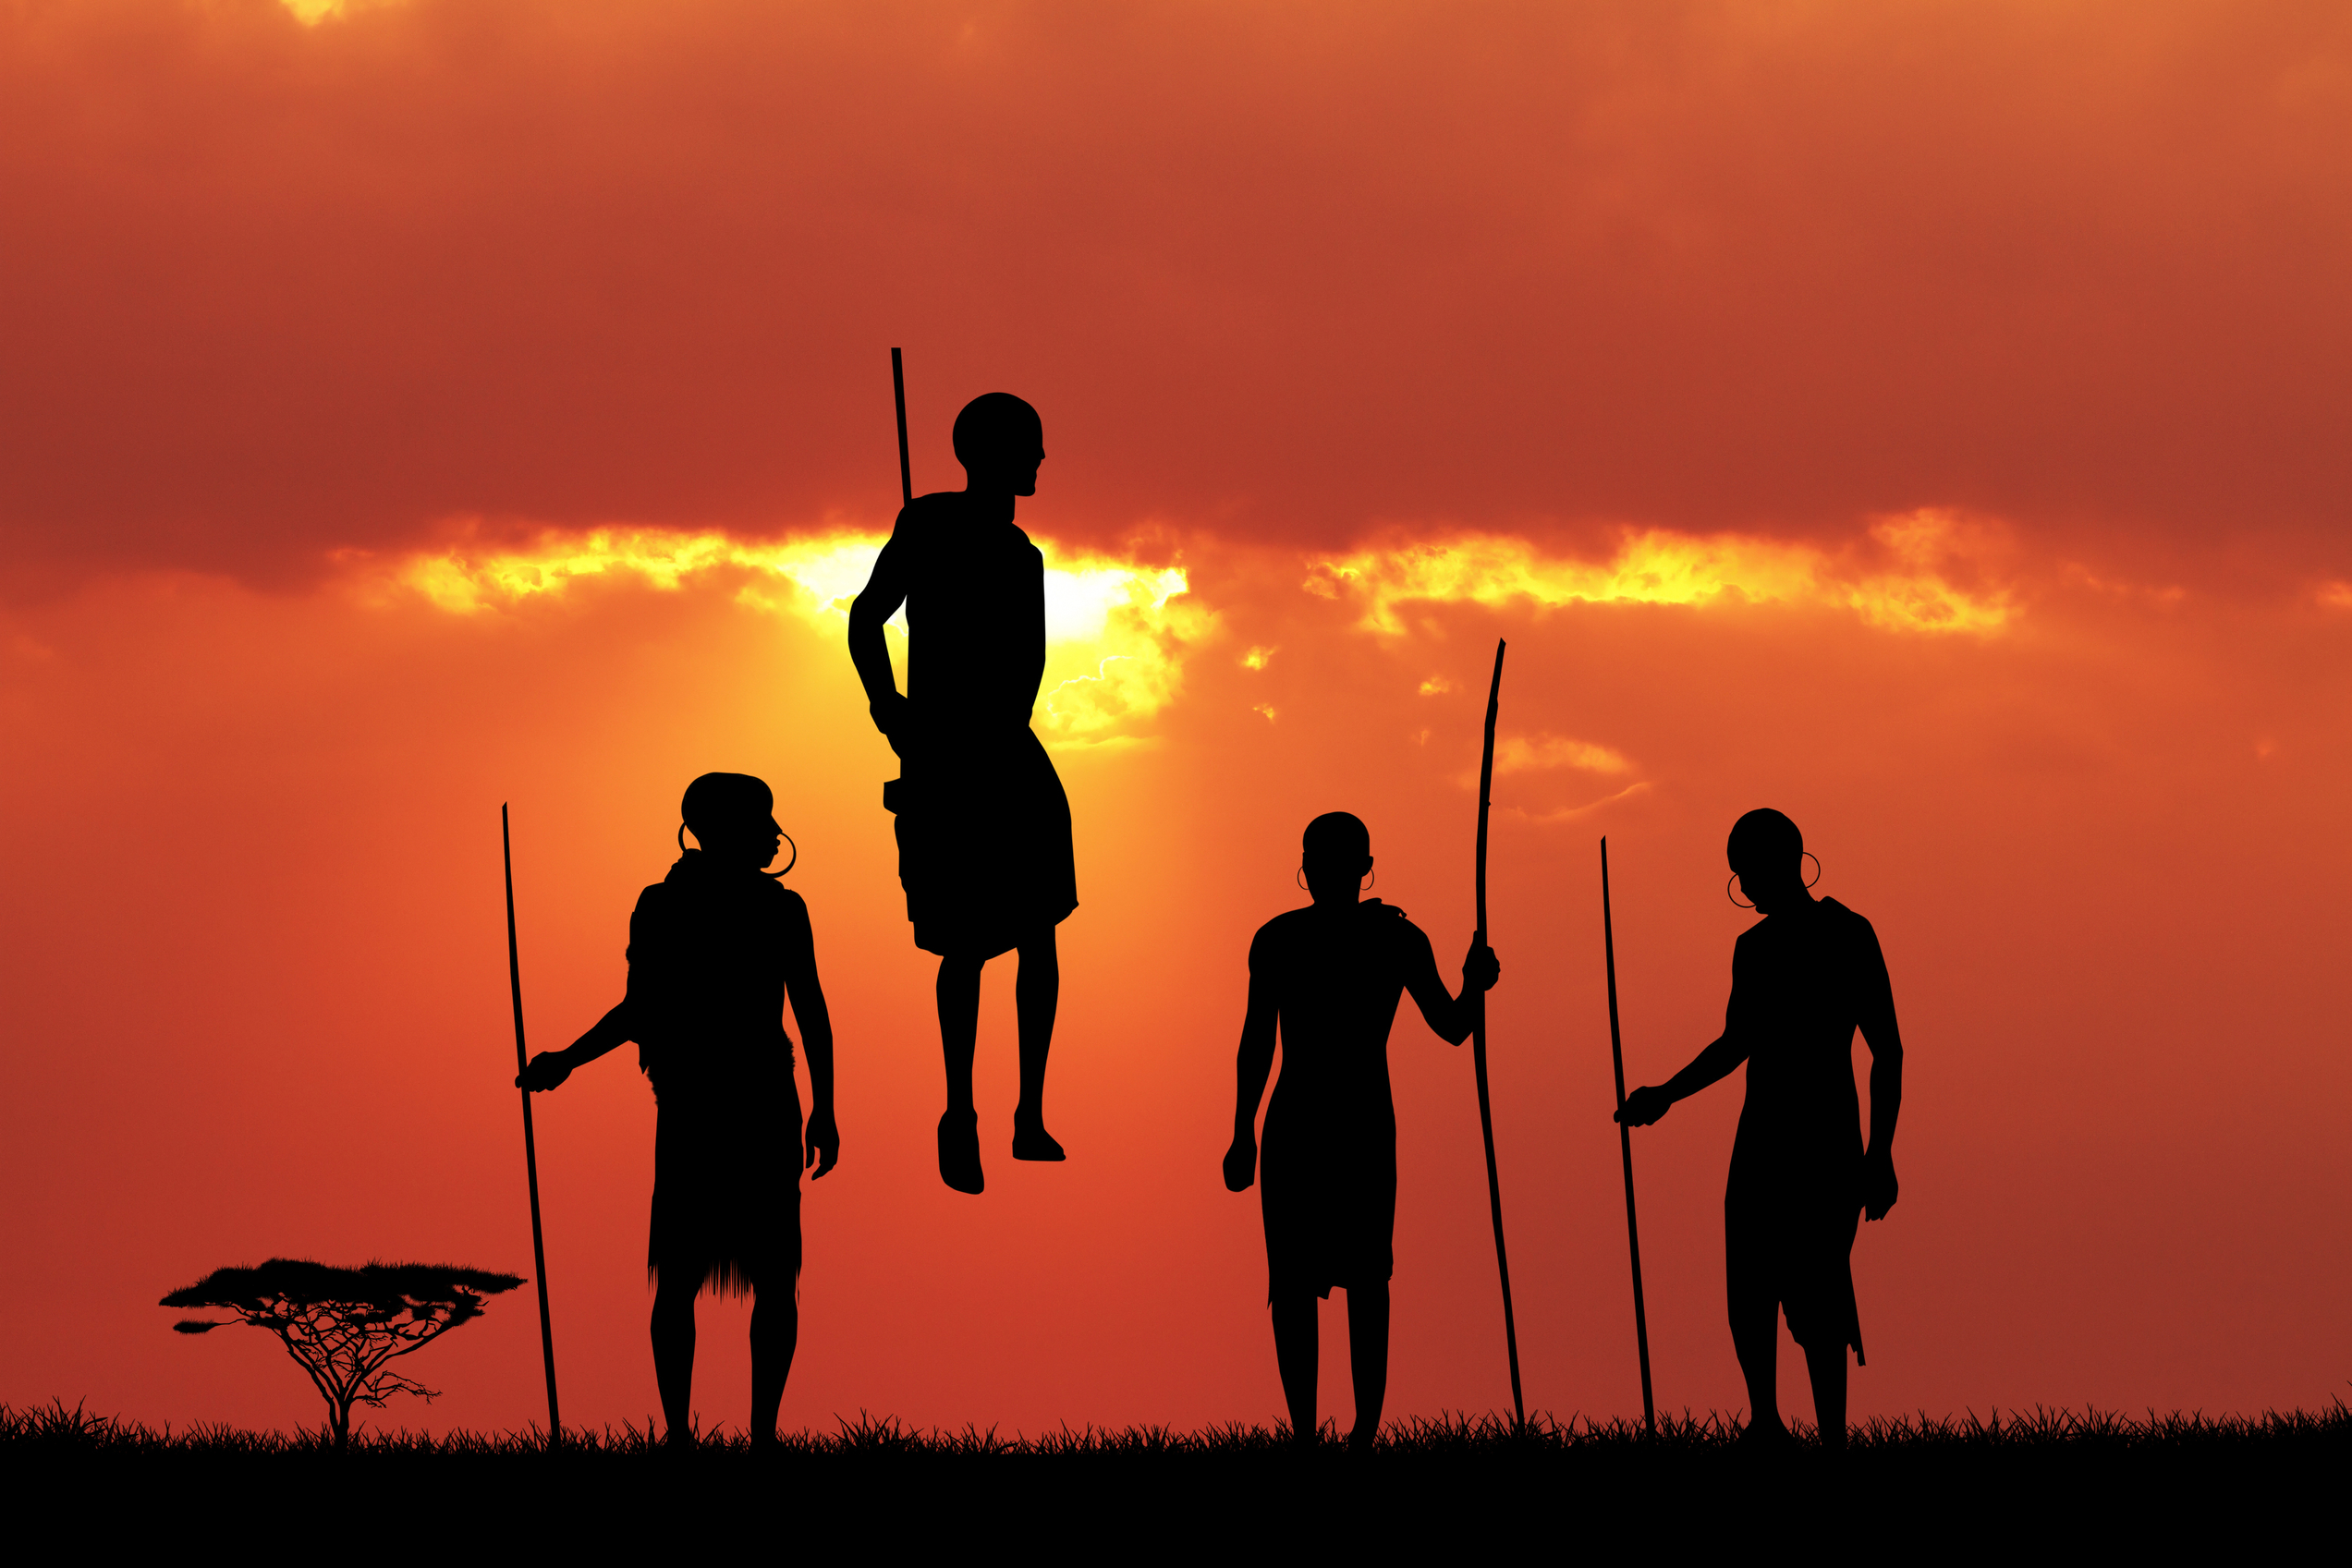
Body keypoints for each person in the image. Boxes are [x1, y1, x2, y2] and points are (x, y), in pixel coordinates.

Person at [518, 772, 839, 1447]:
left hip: (737, 1102)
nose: (770, 830)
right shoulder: (681, 906)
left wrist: (826, 1108)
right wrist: (569, 1058)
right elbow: (645, 1008)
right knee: (694, 1274)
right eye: (760, 819)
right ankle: (691, 1434)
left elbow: (806, 1007)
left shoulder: (758, 907)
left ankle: (746, 1436)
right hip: (716, 1103)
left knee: (759, 1276)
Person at [1615, 808, 1903, 1452]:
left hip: (1827, 1138)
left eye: (1749, 873)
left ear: (1788, 863)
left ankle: (1831, 1435)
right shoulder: (1754, 947)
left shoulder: (1848, 934)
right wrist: (1666, 1093)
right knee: (1749, 1281)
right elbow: (1735, 1043)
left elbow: (1887, 1048)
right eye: (1739, 876)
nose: (1746, 887)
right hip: (1761, 1137)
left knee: (1818, 1284)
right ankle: (1765, 1420)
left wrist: (1879, 1153)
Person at [848, 392, 1077, 1195]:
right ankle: (959, 1111)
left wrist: (990, 738)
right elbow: (865, 617)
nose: (1041, 461)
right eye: (1031, 448)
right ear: (993, 453)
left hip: (1007, 760)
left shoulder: (1024, 555)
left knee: (1041, 931)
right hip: (945, 758)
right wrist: (890, 710)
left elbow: (1030, 665)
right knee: (966, 944)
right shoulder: (926, 524)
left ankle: (1029, 1113)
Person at [1222, 811, 1500, 1449]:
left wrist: (1473, 983)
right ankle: (1334, 1432)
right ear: (1363, 866)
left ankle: (1345, 1432)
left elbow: (1452, 1025)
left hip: (1324, 1122)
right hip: (1336, 1122)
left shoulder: (1320, 938)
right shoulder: (1379, 939)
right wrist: (1242, 1130)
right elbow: (1455, 1025)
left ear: (1313, 867)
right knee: (1317, 1279)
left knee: (1347, 1276)